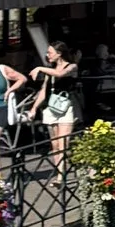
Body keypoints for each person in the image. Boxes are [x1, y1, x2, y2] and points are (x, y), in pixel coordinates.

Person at [31, 38, 81, 169]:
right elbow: (44, 91)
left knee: (63, 142)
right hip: (51, 107)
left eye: (50, 52)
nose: (47, 55)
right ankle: (61, 169)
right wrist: (34, 108)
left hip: (66, 107)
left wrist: (39, 68)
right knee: (55, 144)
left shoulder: (72, 66)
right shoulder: (49, 69)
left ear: (59, 53)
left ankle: (61, 175)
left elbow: (60, 74)